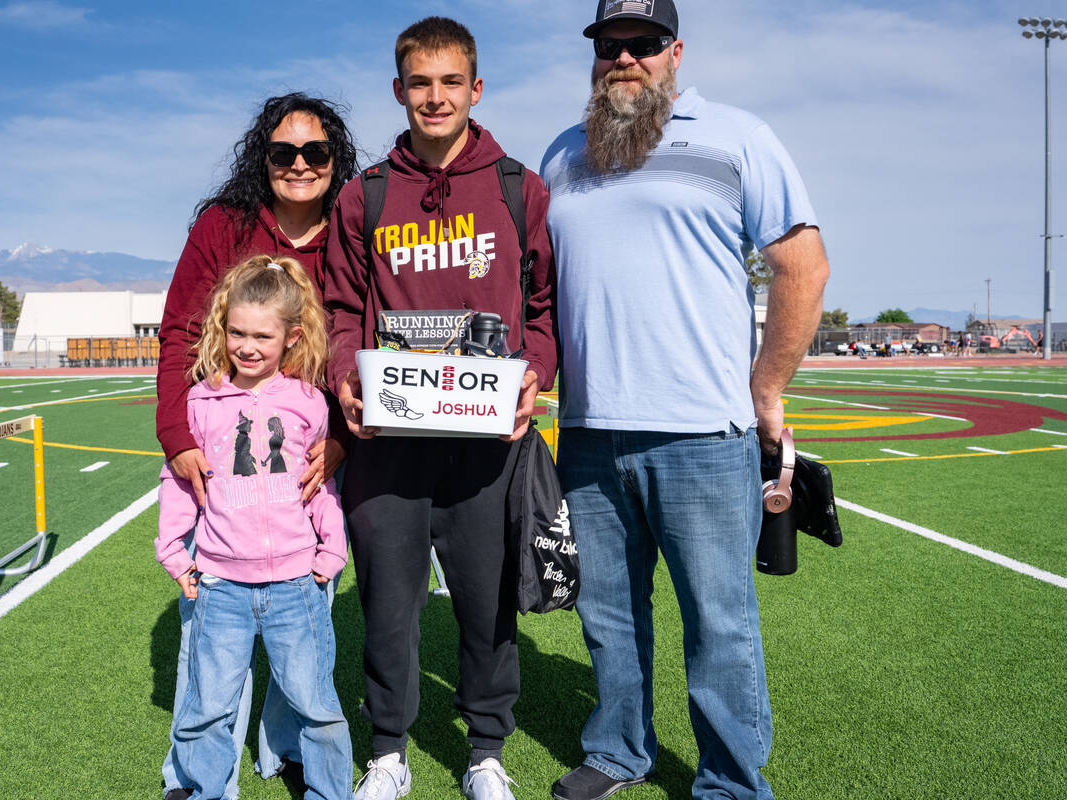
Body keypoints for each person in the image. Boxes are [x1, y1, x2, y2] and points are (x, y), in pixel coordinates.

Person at [540, 2, 829, 799]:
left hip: (703, 433)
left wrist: (765, 387)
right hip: (589, 430)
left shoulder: (738, 135)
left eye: (643, 44)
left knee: (718, 623)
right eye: (609, 44)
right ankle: (618, 752)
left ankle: (731, 782)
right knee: (607, 616)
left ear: (675, 52)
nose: (624, 58)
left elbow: (803, 267)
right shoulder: (563, 154)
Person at [322, 16, 556, 800]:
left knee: (488, 606)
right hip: (391, 442)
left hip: (488, 445)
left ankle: (485, 751)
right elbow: (341, 306)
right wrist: (343, 374)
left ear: (475, 89)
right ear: (399, 91)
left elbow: (548, 308)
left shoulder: (520, 187)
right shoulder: (366, 195)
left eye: (450, 81)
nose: (435, 96)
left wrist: (537, 374)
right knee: (388, 606)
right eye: (419, 82)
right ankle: (388, 751)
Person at [155, 93, 358, 799]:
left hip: (311, 458)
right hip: (225, 464)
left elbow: (360, 339)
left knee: (306, 650)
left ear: (336, 161)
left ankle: (290, 755)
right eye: (282, 152)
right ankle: (194, 778)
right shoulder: (224, 225)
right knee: (209, 650)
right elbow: (181, 329)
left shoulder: (353, 223)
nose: (299, 164)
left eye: (315, 152)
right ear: (260, 158)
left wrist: (340, 443)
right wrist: (178, 437)